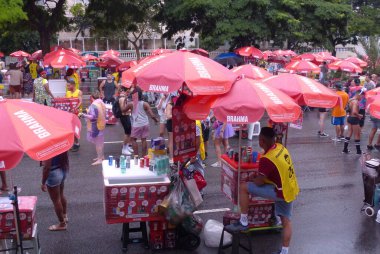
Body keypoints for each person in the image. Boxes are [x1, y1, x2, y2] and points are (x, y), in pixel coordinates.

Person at [226, 127, 299, 254]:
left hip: (279, 191)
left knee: (243, 187)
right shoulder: (281, 148)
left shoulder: (267, 159)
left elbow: (260, 182)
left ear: (261, 140)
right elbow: (275, 172)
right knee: (286, 221)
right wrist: (260, 177)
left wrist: (254, 179)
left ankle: (243, 221)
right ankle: (284, 252)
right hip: (291, 188)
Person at [41, 151, 69, 231]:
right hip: (62, 169)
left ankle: (62, 224)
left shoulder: (48, 147)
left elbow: (46, 167)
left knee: (56, 200)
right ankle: (64, 216)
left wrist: (43, 182)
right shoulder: (59, 143)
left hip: (54, 172)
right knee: (61, 194)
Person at [79, 91, 106, 165]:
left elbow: (93, 117)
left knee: (98, 144)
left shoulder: (94, 105)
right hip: (101, 124)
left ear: (91, 97)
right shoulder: (101, 102)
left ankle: (100, 159)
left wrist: (84, 115)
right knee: (100, 142)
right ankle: (101, 156)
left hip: (96, 126)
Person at [130, 88, 159, 156]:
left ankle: (136, 156)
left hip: (137, 124)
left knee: (133, 139)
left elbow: (123, 110)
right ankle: (143, 156)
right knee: (144, 140)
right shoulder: (145, 104)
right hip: (145, 123)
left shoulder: (131, 104)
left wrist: (124, 100)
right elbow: (152, 115)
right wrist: (156, 120)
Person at [343, 90, 365, 154]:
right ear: (358, 94)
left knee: (349, 133)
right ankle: (358, 151)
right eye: (361, 96)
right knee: (357, 134)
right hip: (354, 119)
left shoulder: (350, 100)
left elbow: (347, 109)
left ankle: (345, 149)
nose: (361, 98)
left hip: (349, 118)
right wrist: (359, 115)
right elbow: (354, 112)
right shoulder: (355, 102)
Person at [66, 79, 83, 152]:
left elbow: (80, 102)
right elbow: (65, 102)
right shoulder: (67, 92)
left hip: (77, 113)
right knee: (70, 129)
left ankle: (76, 143)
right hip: (70, 113)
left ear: (73, 85)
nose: (67, 87)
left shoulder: (79, 92)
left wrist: (75, 108)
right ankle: (74, 143)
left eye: (69, 85)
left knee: (74, 128)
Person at [118, 87, 133, 155]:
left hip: (126, 116)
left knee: (129, 132)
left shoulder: (124, 98)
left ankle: (126, 147)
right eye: (128, 91)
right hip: (124, 117)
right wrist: (129, 110)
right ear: (125, 91)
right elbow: (122, 110)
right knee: (127, 133)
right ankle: (124, 148)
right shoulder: (122, 98)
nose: (129, 92)